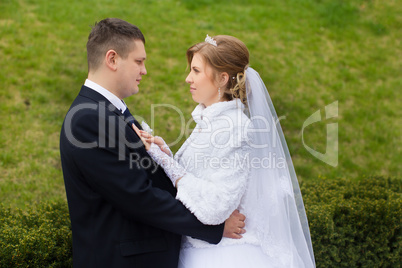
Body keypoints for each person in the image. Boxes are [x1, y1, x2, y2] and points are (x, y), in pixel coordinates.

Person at [59, 19, 246, 268]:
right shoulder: (88, 120)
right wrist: (214, 228)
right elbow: (139, 197)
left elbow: (137, 178)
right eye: (139, 61)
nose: (144, 70)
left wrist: (161, 155)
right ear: (112, 59)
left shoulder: (106, 112)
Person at [136, 35, 316, 267]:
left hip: (225, 256)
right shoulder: (211, 122)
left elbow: (216, 206)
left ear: (222, 79)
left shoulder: (236, 128)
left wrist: (169, 166)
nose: (187, 78)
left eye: (196, 71)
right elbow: (203, 178)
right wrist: (167, 155)